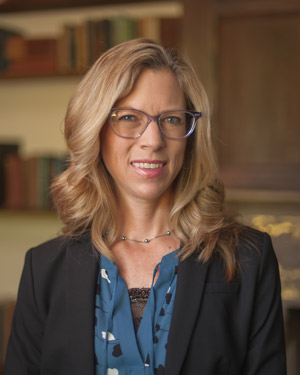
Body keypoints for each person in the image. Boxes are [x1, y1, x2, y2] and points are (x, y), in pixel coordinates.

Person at [5, 38, 286, 375]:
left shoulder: (247, 258)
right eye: (128, 117)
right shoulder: (44, 268)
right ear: (95, 132)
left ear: (190, 134)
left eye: (171, 119)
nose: (153, 141)